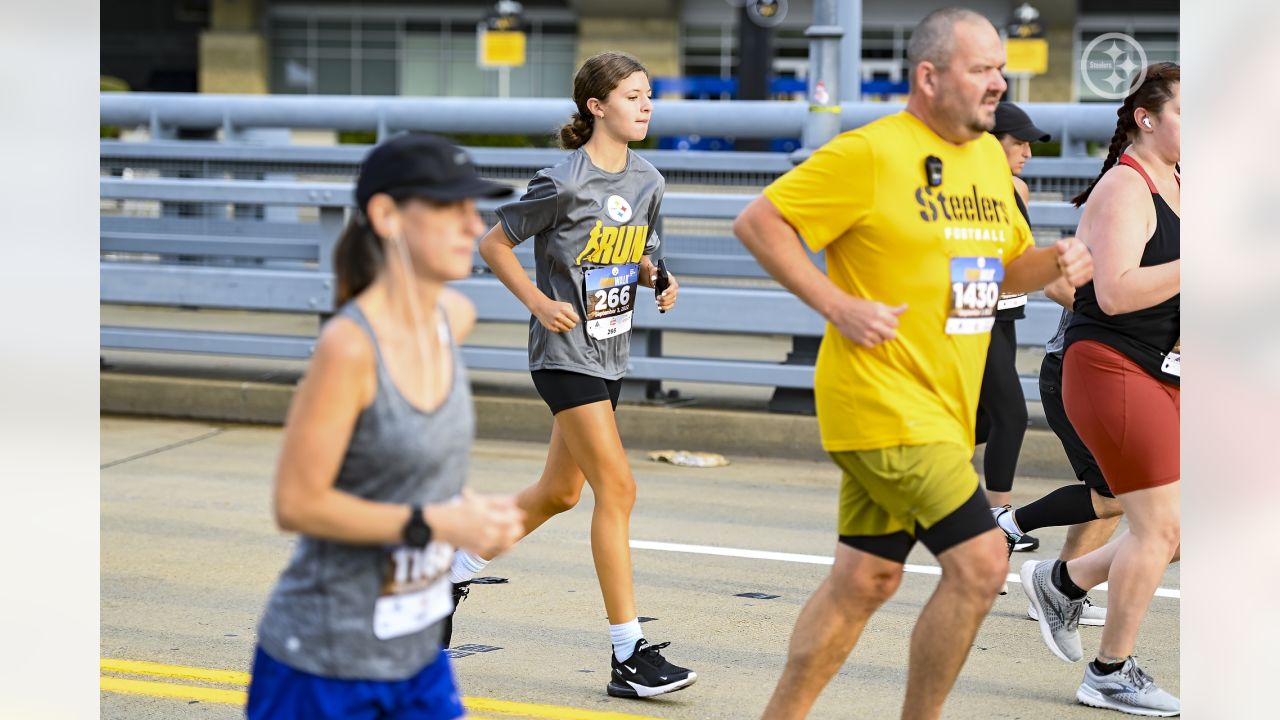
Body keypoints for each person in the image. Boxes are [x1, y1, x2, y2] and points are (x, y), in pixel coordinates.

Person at [732, 9, 1092, 720]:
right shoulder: (869, 153)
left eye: (999, 68)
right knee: (984, 564)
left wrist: (1054, 262)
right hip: (882, 401)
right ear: (929, 77)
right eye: (981, 69)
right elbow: (760, 222)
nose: (999, 82)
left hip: (944, 410)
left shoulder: (990, 158)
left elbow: (1004, 271)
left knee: (863, 580)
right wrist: (836, 304)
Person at [245, 134, 526, 720]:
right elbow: (296, 504)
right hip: (324, 665)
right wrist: (437, 523)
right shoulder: (350, 347)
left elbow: (406, 468)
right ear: (386, 215)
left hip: (418, 655)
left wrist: (470, 516)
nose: (469, 225)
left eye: (472, 209)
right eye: (448, 207)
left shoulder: (454, 316)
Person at [446, 50, 695, 700]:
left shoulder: (648, 180)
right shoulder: (563, 180)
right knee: (619, 491)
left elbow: (642, 252)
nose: (646, 105)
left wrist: (657, 278)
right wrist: (537, 301)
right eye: (634, 95)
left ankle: (449, 571)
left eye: (648, 96)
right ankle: (628, 654)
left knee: (560, 494)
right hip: (563, 356)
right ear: (597, 106)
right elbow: (493, 243)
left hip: (610, 354)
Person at [1020, 62, 1181, 717]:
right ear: (1147, 118)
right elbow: (1112, 292)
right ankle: (1110, 673)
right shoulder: (1125, 186)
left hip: (1159, 367)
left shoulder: (1185, 184)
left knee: (1191, 525)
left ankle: (1063, 580)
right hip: (1107, 363)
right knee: (1157, 527)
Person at [978, 101, 1049, 551]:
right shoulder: (971, 191)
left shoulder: (1017, 189)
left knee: (982, 422)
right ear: (990, 142)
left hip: (1006, 314)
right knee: (1012, 415)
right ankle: (996, 522)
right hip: (974, 313)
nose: (1026, 151)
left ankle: (909, 474)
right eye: (1018, 142)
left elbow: (1023, 257)